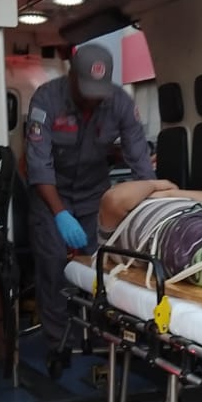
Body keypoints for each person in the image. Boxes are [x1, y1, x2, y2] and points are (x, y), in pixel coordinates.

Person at [25, 43, 155, 371]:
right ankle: (59, 345)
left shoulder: (120, 103)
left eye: (99, 92)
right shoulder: (47, 99)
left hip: (95, 198)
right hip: (50, 198)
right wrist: (59, 213)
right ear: (71, 75)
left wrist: (151, 206)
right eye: (86, 91)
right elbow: (38, 165)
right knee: (55, 270)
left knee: (101, 270)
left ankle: (100, 339)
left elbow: (140, 160)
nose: (93, 99)